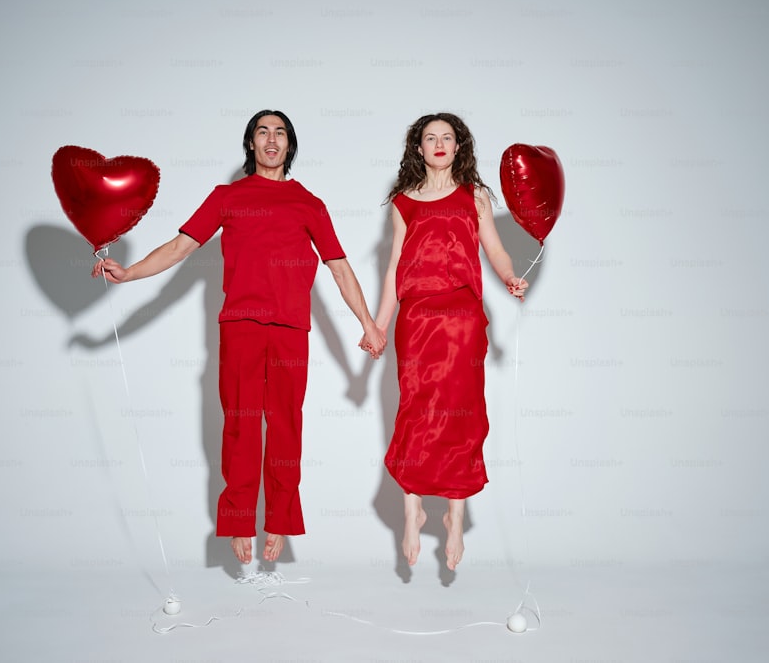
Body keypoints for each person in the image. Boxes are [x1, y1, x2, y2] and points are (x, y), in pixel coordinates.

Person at [93, 109, 386, 564]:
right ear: (251, 143)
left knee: (287, 426)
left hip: (291, 329)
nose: (272, 139)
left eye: (280, 132)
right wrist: (129, 274)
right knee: (240, 426)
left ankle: (282, 520)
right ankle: (237, 520)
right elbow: (180, 247)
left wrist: (368, 324)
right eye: (262, 132)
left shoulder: (310, 203)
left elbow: (340, 269)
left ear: (290, 144)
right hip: (241, 326)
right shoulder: (227, 196)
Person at [360, 113, 527, 571]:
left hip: (462, 318)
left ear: (458, 147)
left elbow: (492, 247)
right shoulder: (403, 202)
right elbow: (394, 268)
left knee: (462, 410)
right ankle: (412, 507)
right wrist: (376, 325)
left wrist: (509, 275)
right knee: (415, 408)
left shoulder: (474, 195)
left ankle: (455, 516)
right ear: (418, 147)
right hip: (415, 319)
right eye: (429, 137)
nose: (438, 144)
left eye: (446, 137)